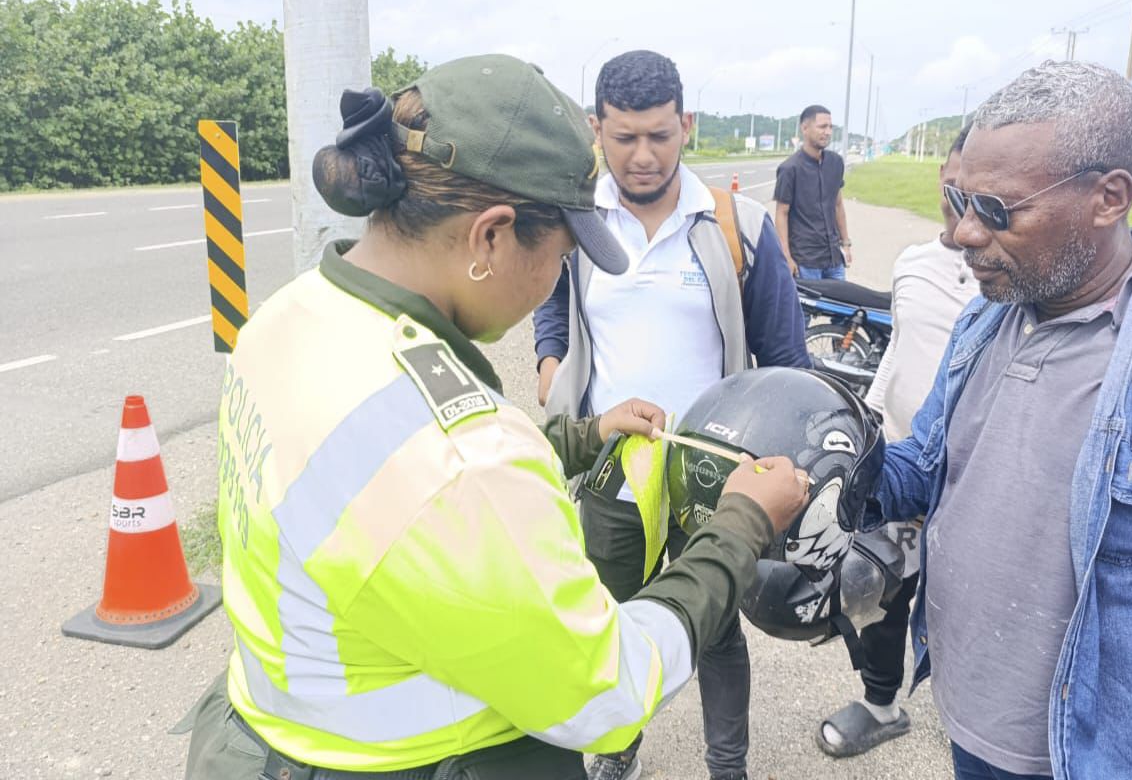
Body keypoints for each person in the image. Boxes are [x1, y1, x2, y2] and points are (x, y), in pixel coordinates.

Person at [179, 54, 810, 780]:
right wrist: (739, 524)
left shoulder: (288, 318)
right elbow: (608, 687)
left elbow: (390, 475)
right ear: (490, 236)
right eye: (564, 251)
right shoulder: (467, 461)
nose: (556, 278)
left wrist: (581, 434)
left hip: (263, 738)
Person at [865, 61, 1132, 779]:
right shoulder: (986, 318)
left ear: (1109, 197)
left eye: (996, 210)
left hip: (1098, 758)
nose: (963, 233)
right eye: (958, 199)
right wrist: (838, 465)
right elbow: (928, 465)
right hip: (974, 726)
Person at [534, 49, 810, 780]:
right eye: (625, 138)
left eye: (660, 135)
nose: (644, 155)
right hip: (614, 470)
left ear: (686, 125)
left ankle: (729, 768)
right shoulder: (579, 220)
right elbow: (549, 301)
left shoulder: (733, 224)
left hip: (713, 476)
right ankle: (617, 747)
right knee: (614, 620)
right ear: (598, 131)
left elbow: (787, 359)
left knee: (715, 626)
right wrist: (549, 357)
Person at [817, 125, 980, 759]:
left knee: (962, 597)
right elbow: (901, 349)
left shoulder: (1013, 280)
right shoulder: (913, 264)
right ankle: (882, 703)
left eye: (978, 188)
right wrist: (872, 414)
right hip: (904, 459)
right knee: (874, 584)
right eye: (953, 177)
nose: (959, 195)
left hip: (968, 478)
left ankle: (966, 709)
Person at [774, 104, 851, 280]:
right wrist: (786, 257)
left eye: (830, 127)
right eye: (822, 127)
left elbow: (838, 204)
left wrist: (846, 244)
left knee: (838, 306)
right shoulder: (789, 169)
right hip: (805, 261)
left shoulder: (836, 163)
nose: (828, 132)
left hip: (834, 259)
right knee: (808, 308)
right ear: (805, 128)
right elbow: (781, 214)